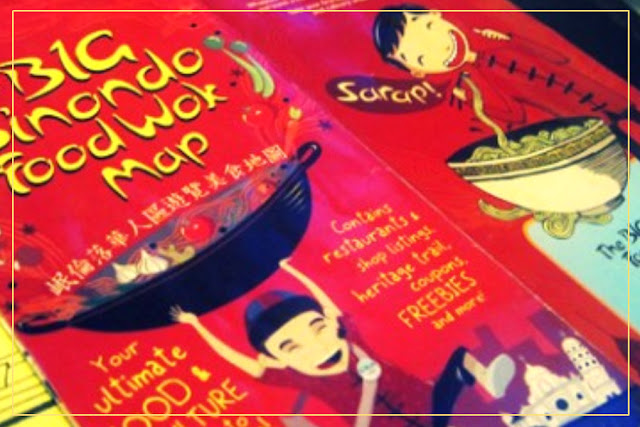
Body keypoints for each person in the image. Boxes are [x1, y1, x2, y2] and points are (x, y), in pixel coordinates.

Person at [171, 258, 516, 427]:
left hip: (430, 408)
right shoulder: (296, 377)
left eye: (318, 328)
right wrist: (196, 325)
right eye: (292, 347)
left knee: (460, 359)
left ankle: (487, 379)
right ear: (275, 359)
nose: (318, 346)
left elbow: (328, 306)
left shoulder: (350, 341)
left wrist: (293, 271)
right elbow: (238, 360)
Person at [372, 4, 638, 156]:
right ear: (418, 72)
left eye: (430, 29)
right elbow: (513, 113)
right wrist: (474, 96)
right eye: (421, 56)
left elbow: (555, 58)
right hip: (579, 114)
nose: (438, 47)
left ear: (436, 15)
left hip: (605, 88)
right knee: (624, 144)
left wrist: (512, 40)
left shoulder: (498, 43)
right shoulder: (473, 83)